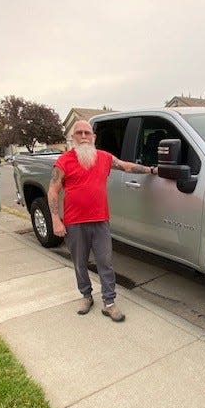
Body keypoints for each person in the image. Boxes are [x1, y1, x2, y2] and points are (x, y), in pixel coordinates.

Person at [48, 120, 158, 322]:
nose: (83, 136)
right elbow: (53, 190)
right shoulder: (64, 161)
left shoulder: (104, 158)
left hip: (100, 221)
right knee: (80, 263)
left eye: (87, 133)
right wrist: (56, 219)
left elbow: (126, 166)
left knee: (105, 263)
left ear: (93, 137)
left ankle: (109, 302)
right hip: (74, 223)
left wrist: (151, 170)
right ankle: (86, 296)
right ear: (72, 137)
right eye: (78, 133)